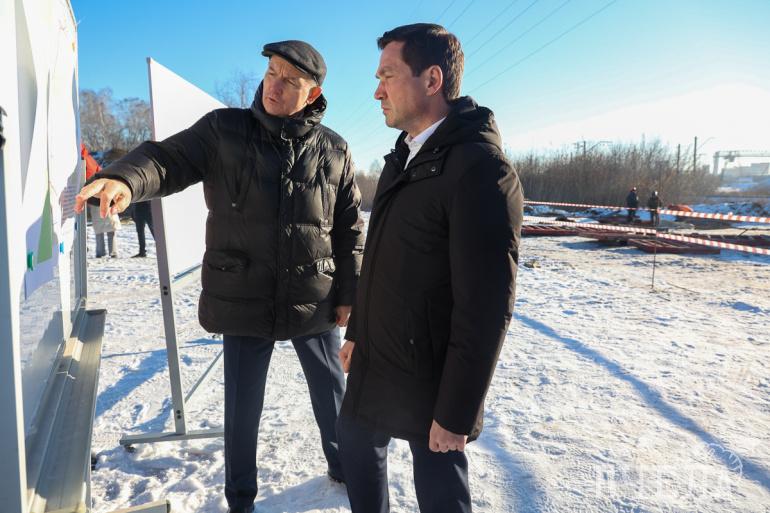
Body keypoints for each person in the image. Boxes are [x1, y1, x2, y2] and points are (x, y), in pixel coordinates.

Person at [75, 40, 364, 513]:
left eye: (290, 80)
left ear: (313, 94)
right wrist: (125, 178)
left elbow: (350, 229)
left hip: (314, 296)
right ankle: (240, 498)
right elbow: (167, 159)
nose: (274, 85)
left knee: (332, 395)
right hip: (244, 294)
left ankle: (345, 466)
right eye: (271, 73)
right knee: (241, 410)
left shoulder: (334, 149)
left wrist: (350, 292)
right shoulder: (224, 130)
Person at [336, 24, 523, 513]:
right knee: (355, 446)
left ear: (432, 79)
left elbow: (486, 306)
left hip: (433, 376)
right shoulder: (403, 157)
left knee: (440, 491)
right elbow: (379, 258)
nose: (377, 91)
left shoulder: (480, 169)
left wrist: (457, 412)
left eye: (387, 76)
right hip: (378, 356)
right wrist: (358, 330)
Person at [81, 143, 120, 257]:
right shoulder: (90, 159)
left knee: (101, 227)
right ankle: (112, 251)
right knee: (109, 227)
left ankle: (101, 252)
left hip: (95, 195)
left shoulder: (83, 159)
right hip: (102, 194)